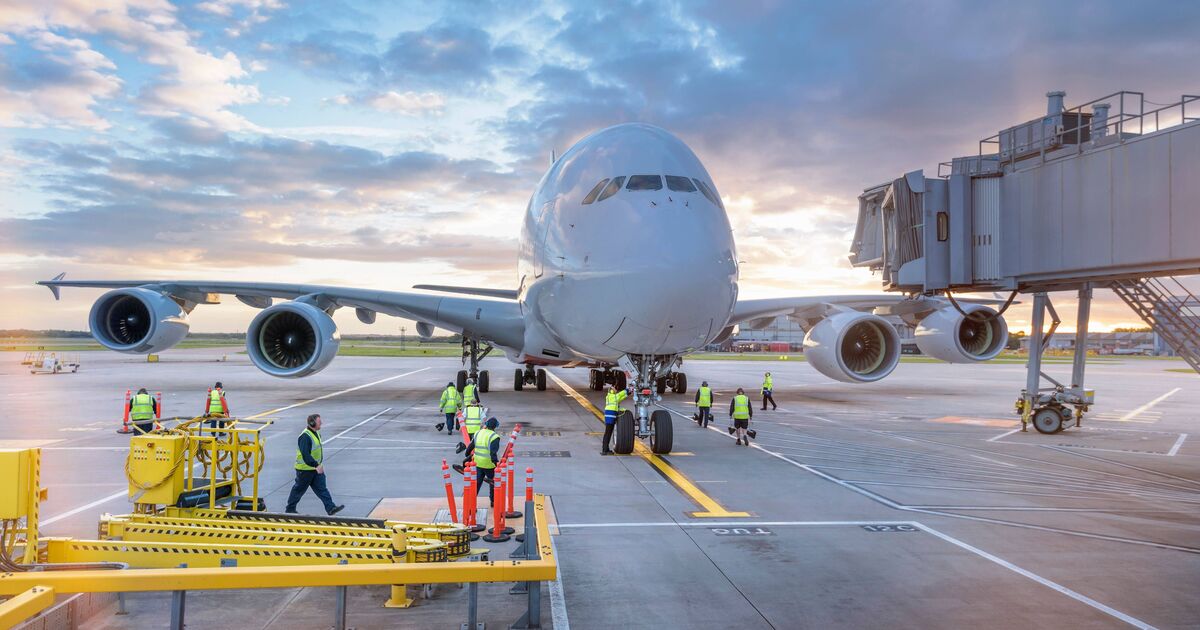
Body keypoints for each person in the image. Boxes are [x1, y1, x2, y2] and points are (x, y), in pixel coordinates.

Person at [285, 414, 345, 515]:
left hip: (315, 469)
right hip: (305, 470)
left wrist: (317, 466)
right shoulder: (305, 437)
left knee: (322, 489)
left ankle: (330, 508)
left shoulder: (316, 433)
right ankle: (290, 509)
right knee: (299, 490)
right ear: (312, 423)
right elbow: (305, 454)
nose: (321, 423)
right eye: (319, 421)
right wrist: (316, 465)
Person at [464, 417, 502, 506]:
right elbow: (493, 453)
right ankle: (493, 501)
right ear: (495, 426)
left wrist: (467, 454)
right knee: (493, 483)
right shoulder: (494, 436)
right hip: (489, 465)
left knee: (476, 484)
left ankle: (471, 505)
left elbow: (471, 446)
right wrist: (496, 464)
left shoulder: (478, 433)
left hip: (477, 463)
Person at [601, 383, 628, 455]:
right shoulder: (613, 397)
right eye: (615, 389)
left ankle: (605, 449)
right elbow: (620, 395)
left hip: (608, 417)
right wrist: (627, 390)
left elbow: (620, 397)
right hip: (611, 417)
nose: (616, 390)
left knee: (607, 433)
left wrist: (627, 393)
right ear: (612, 390)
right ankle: (605, 450)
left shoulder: (610, 396)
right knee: (608, 433)